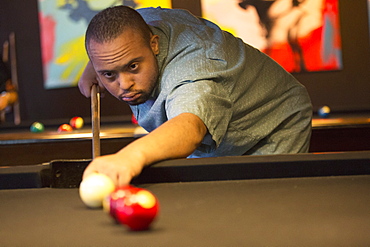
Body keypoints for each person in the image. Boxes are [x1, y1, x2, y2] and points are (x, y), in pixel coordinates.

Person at [78, 6, 312, 186]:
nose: (124, 85)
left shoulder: (193, 71)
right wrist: (94, 67)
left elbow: (189, 129)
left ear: (154, 44)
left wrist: (128, 157)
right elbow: (116, 41)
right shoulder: (138, 26)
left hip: (273, 125)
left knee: (262, 211)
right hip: (220, 134)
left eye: (133, 67)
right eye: (109, 74)